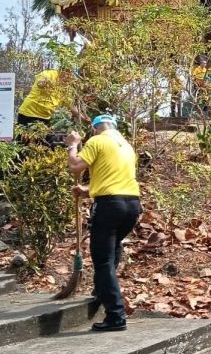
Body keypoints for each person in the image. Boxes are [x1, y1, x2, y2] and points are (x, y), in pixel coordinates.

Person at [65, 114, 142, 332]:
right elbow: (115, 179)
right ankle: (102, 291)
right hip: (132, 204)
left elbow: (75, 166)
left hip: (109, 206)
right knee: (113, 248)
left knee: (103, 259)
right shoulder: (126, 146)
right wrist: (88, 190)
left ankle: (115, 316)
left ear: (95, 128)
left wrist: (72, 145)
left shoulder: (97, 141)